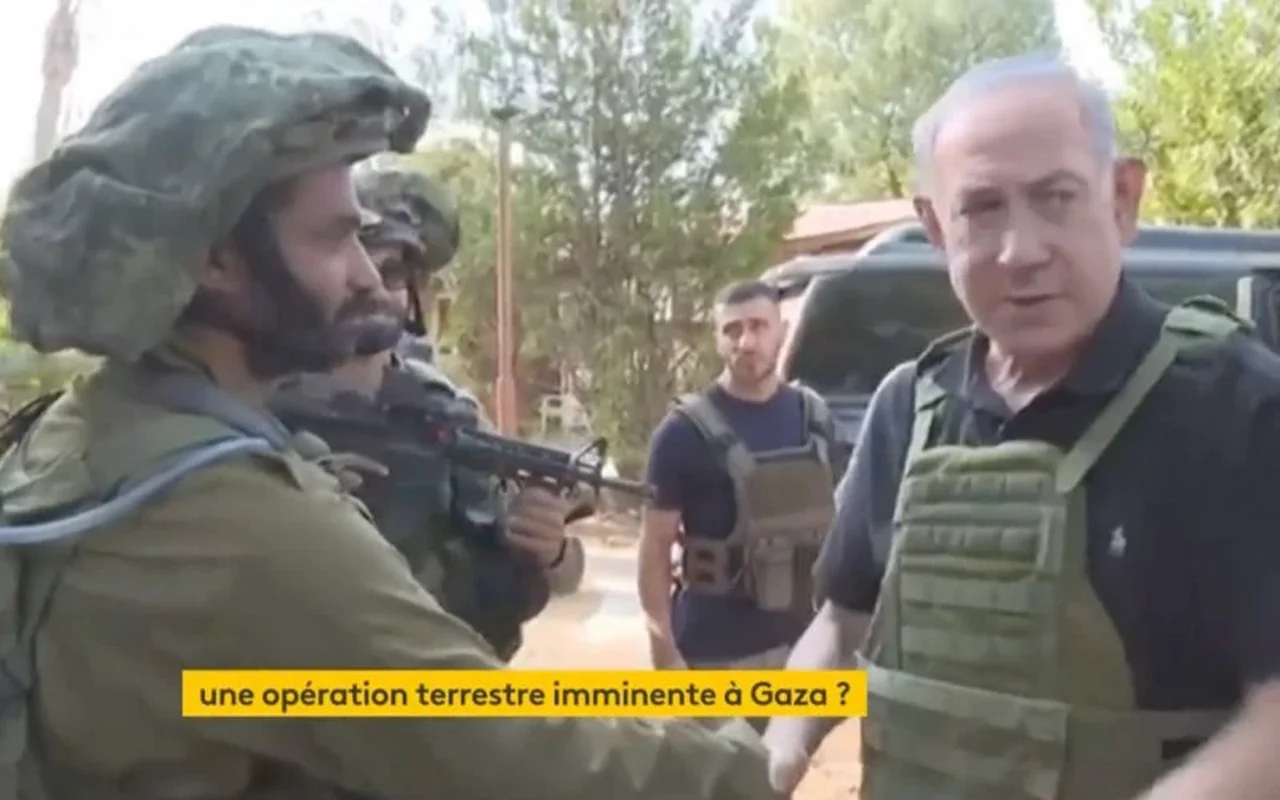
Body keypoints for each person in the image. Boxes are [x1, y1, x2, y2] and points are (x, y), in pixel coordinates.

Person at [0, 26, 782, 800]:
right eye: (335, 240)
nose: (369, 280)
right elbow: (498, 753)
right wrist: (746, 765)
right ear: (215, 259)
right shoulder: (244, 524)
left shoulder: (67, 432)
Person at [764, 52, 1280, 800]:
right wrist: (779, 750)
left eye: (1056, 197)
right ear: (935, 227)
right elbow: (842, 625)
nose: (1021, 251)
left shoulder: (1237, 410)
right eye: (982, 209)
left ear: (1122, 198)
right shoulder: (910, 408)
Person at [269, 166, 585, 661]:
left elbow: (554, 570)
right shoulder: (259, 398)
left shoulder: (449, 411)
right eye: (360, 261)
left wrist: (551, 548)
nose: (375, 286)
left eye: (394, 273)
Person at [639, 280, 836, 700]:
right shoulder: (681, 432)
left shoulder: (815, 418)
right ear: (717, 339)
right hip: (713, 655)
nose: (746, 342)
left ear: (782, 330)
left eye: (759, 326)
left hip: (802, 655)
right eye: (732, 330)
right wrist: (663, 650)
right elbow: (655, 547)